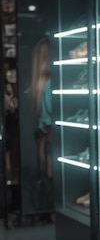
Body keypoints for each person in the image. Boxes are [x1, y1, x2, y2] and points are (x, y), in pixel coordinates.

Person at [30, 36, 53, 180]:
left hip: (44, 138)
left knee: (48, 178)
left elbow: (43, 118)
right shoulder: (51, 85)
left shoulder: (38, 86)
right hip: (53, 137)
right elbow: (52, 112)